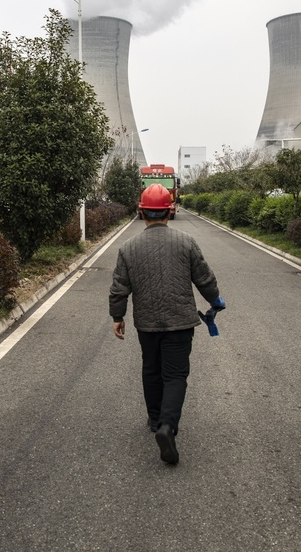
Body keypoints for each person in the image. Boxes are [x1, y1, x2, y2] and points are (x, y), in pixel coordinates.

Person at [109, 183, 225, 465]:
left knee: (151, 369)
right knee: (174, 375)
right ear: (169, 211)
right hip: (180, 322)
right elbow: (204, 278)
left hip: (147, 323)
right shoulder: (186, 242)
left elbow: (119, 288)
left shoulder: (128, 248)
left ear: (142, 212)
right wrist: (215, 301)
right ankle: (167, 425)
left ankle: (154, 419)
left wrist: (117, 316)